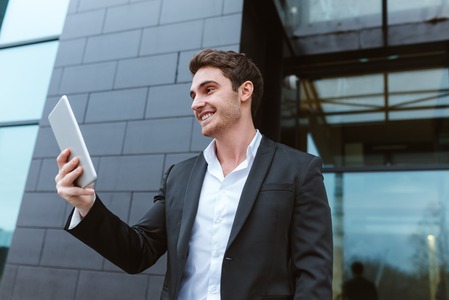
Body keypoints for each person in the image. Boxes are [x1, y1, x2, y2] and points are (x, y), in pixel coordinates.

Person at [55, 49, 333, 300]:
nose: (196, 103)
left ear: (245, 91)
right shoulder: (179, 176)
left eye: (208, 90)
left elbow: (314, 276)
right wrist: (86, 205)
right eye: (193, 95)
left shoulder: (299, 170)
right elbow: (137, 253)